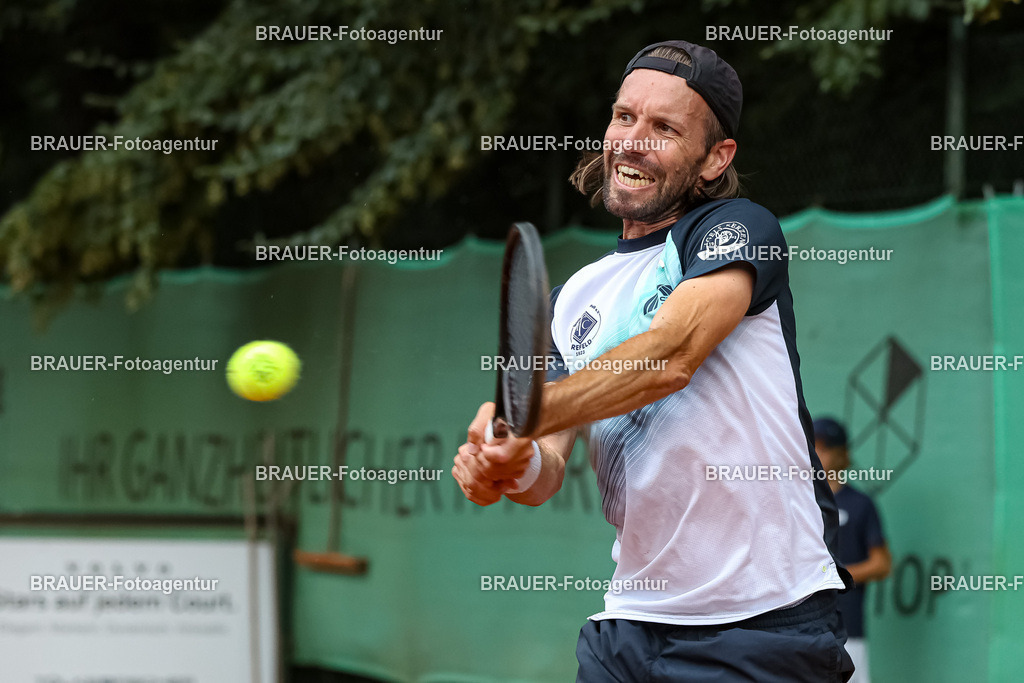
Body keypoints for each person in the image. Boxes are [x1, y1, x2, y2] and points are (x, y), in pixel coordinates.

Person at [453, 39, 855, 682]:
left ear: (714, 158)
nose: (632, 141)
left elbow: (671, 356)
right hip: (630, 626)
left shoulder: (739, 228)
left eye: (664, 128)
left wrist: (524, 409)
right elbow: (547, 468)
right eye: (624, 117)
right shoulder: (573, 298)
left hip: (762, 621)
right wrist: (505, 460)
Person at [814, 417, 891, 683]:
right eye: (811, 446)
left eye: (823, 446)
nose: (816, 453)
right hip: (803, 629)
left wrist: (832, 577)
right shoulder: (798, 503)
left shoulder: (861, 504)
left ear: (842, 453)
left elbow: (881, 564)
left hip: (849, 629)